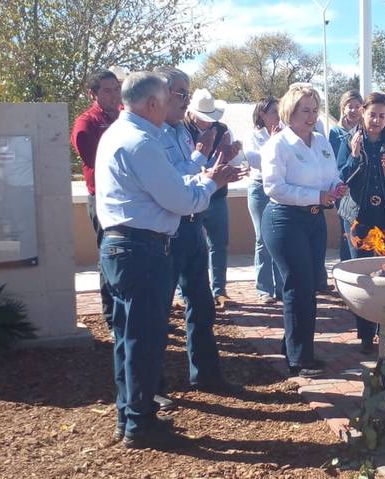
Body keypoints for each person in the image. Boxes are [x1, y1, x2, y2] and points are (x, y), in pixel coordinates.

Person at [96, 72, 239, 448]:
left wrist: (203, 179)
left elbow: (172, 187)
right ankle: (139, 424)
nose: (179, 105)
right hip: (141, 249)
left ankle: (129, 416)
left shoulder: (120, 133)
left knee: (129, 338)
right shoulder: (142, 142)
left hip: (125, 246)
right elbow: (180, 200)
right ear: (152, 103)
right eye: (170, 99)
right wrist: (212, 182)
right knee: (143, 340)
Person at [155, 66, 242, 399]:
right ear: (161, 95)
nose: (185, 99)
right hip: (168, 229)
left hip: (192, 225)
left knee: (202, 305)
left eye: (187, 93)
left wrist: (216, 164)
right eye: (181, 93)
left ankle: (205, 374)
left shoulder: (179, 132)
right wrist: (204, 160)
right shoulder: (153, 134)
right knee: (158, 310)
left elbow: (189, 174)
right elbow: (173, 182)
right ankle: (152, 387)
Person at [260, 84, 346, 378]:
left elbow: (331, 175)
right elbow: (274, 188)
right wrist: (317, 196)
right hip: (284, 220)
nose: (311, 116)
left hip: (314, 220)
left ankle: (294, 346)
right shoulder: (277, 144)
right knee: (298, 287)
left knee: (309, 286)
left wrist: (336, 187)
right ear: (290, 111)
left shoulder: (321, 141)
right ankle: (299, 359)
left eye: (314, 110)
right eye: (305, 110)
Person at [337, 93, 385, 352]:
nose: (377, 120)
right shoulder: (349, 139)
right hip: (358, 218)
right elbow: (340, 179)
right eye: (372, 115)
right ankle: (366, 334)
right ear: (363, 112)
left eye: (382, 116)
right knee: (363, 276)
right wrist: (354, 156)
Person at [71, 69, 121, 330]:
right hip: (103, 200)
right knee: (109, 255)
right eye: (108, 90)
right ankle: (113, 318)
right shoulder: (86, 123)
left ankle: (134, 313)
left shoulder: (126, 115)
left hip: (131, 199)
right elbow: (94, 161)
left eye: (117, 89)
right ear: (93, 94)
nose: (114, 95)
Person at [184, 88, 243, 308]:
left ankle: (219, 290)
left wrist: (231, 155)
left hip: (217, 195)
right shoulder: (181, 130)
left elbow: (233, 161)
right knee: (190, 246)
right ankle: (187, 292)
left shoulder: (222, 130)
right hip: (191, 196)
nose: (208, 122)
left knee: (219, 243)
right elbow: (184, 167)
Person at [244, 96, 284, 304]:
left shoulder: (285, 132)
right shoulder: (254, 136)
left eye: (280, 111)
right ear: (262, 114)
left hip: (279, 188)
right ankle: (264, 289)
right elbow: (255, 160)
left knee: (279, 237)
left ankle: (282, 288)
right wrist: (272, 143)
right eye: (274, 112)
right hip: (259, 189)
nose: (278, 116)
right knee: (262, 238)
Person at [329, 90, 364, 262]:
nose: (354, 110)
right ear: (343, 108)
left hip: (362, 189)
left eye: (358, 106)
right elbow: (334, 161)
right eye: (350, 106)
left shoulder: (366, 129)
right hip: (343, 187)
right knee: (347, 230)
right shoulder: (336, 132)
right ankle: (346, 265)